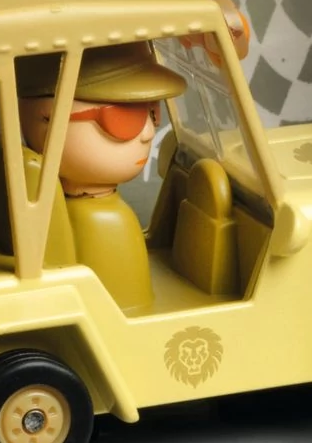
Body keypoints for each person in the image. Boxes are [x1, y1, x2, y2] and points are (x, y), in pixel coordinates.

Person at [16, 43, 186, 315]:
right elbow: (133, 306)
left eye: (152, 111)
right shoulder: (109, 221)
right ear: (47, 117)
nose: (148, 133)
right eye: (123, 117)